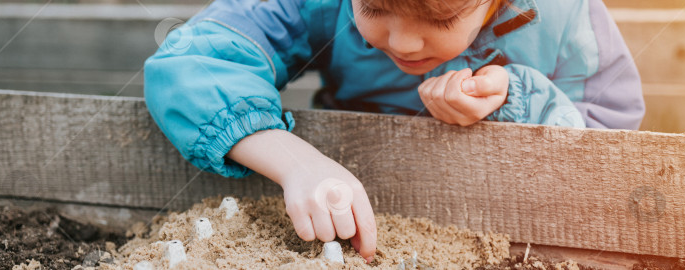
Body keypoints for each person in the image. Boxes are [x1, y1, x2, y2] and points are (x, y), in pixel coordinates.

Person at [144, 0, 645, 264]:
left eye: (441, 16)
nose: (403, 41)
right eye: (375, 8)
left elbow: (611, 132)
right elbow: (191, 62)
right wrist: (297, 162)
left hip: (505, 227)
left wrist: (518, 97)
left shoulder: (562, 13)